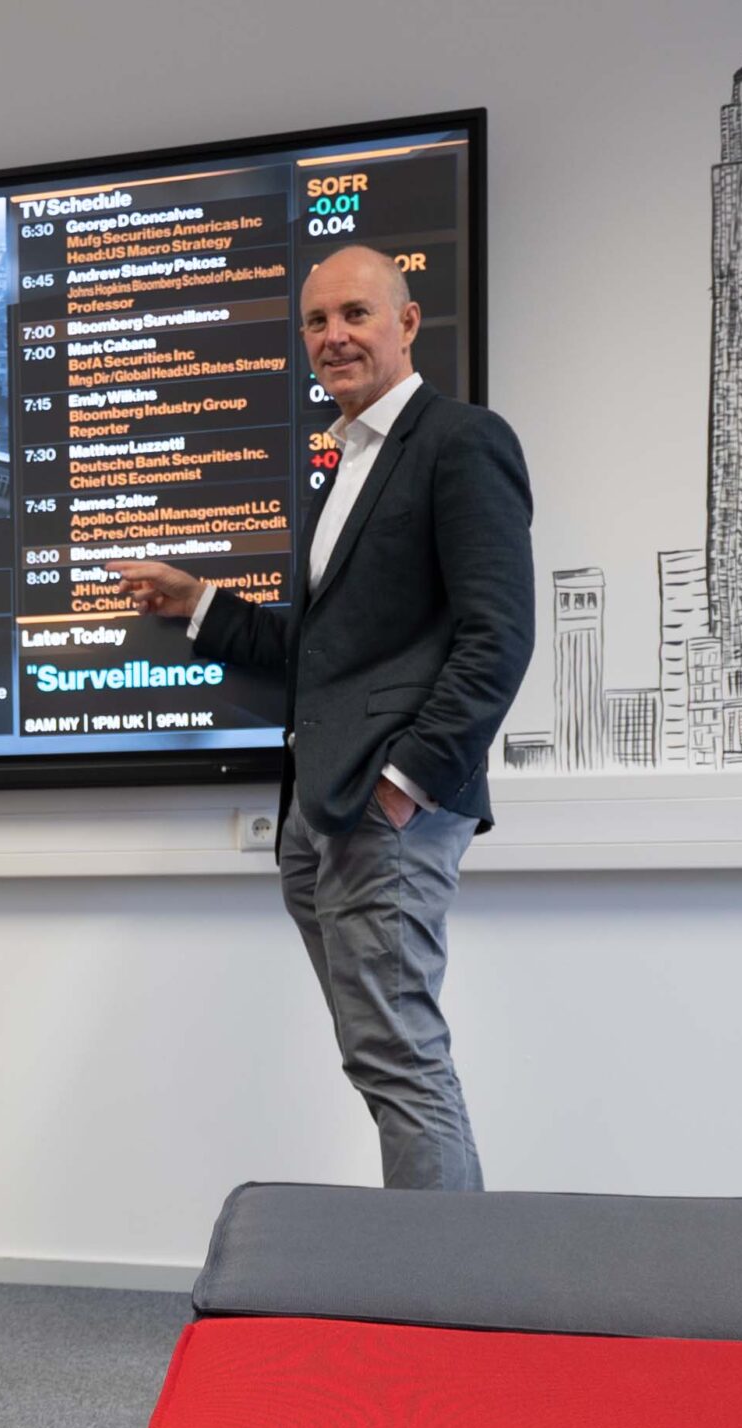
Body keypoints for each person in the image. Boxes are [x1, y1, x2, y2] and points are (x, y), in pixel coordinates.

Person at [107, 245, 534, 1191]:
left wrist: (404, 785)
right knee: (381, 1060)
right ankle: (431, 1278)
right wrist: (202, 602)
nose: (333, 336)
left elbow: (498, 636)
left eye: (355, 314)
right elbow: (330, 650)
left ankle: (443, 1301)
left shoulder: (461, 441)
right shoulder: (344, 462)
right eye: (315, 322)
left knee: (401, 1060)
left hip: (385, 810)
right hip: (319, 811)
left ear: (408, 323)